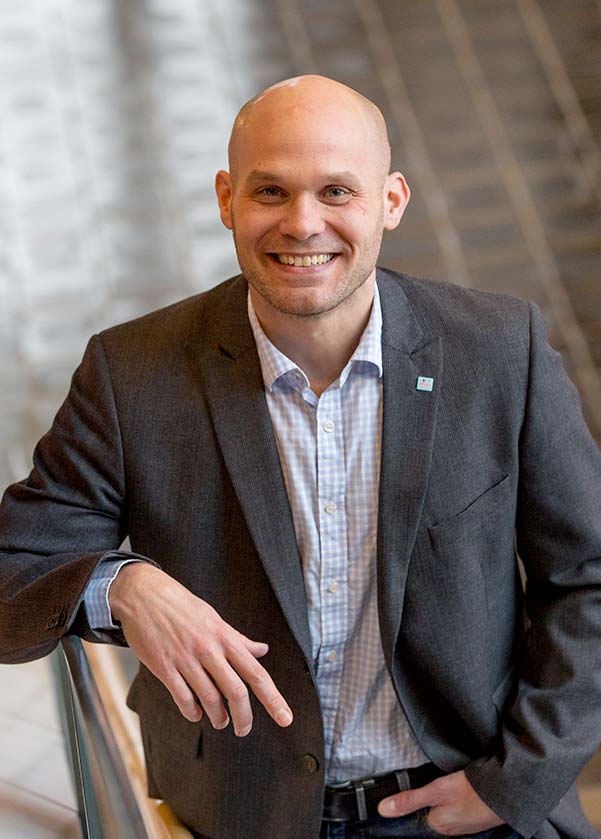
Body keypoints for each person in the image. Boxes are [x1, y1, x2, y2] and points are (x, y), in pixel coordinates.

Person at [0, 74, 600, 839]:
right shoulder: (133, 372)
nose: (302, 223)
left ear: (390, 200)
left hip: (463, 810)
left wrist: (516, 779)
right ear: (226, 199)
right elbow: (11, 571)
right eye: (271, 192)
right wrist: (123, 586)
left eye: (336, 192)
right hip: (238, 817)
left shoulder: (496, 351)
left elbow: (588, 579)